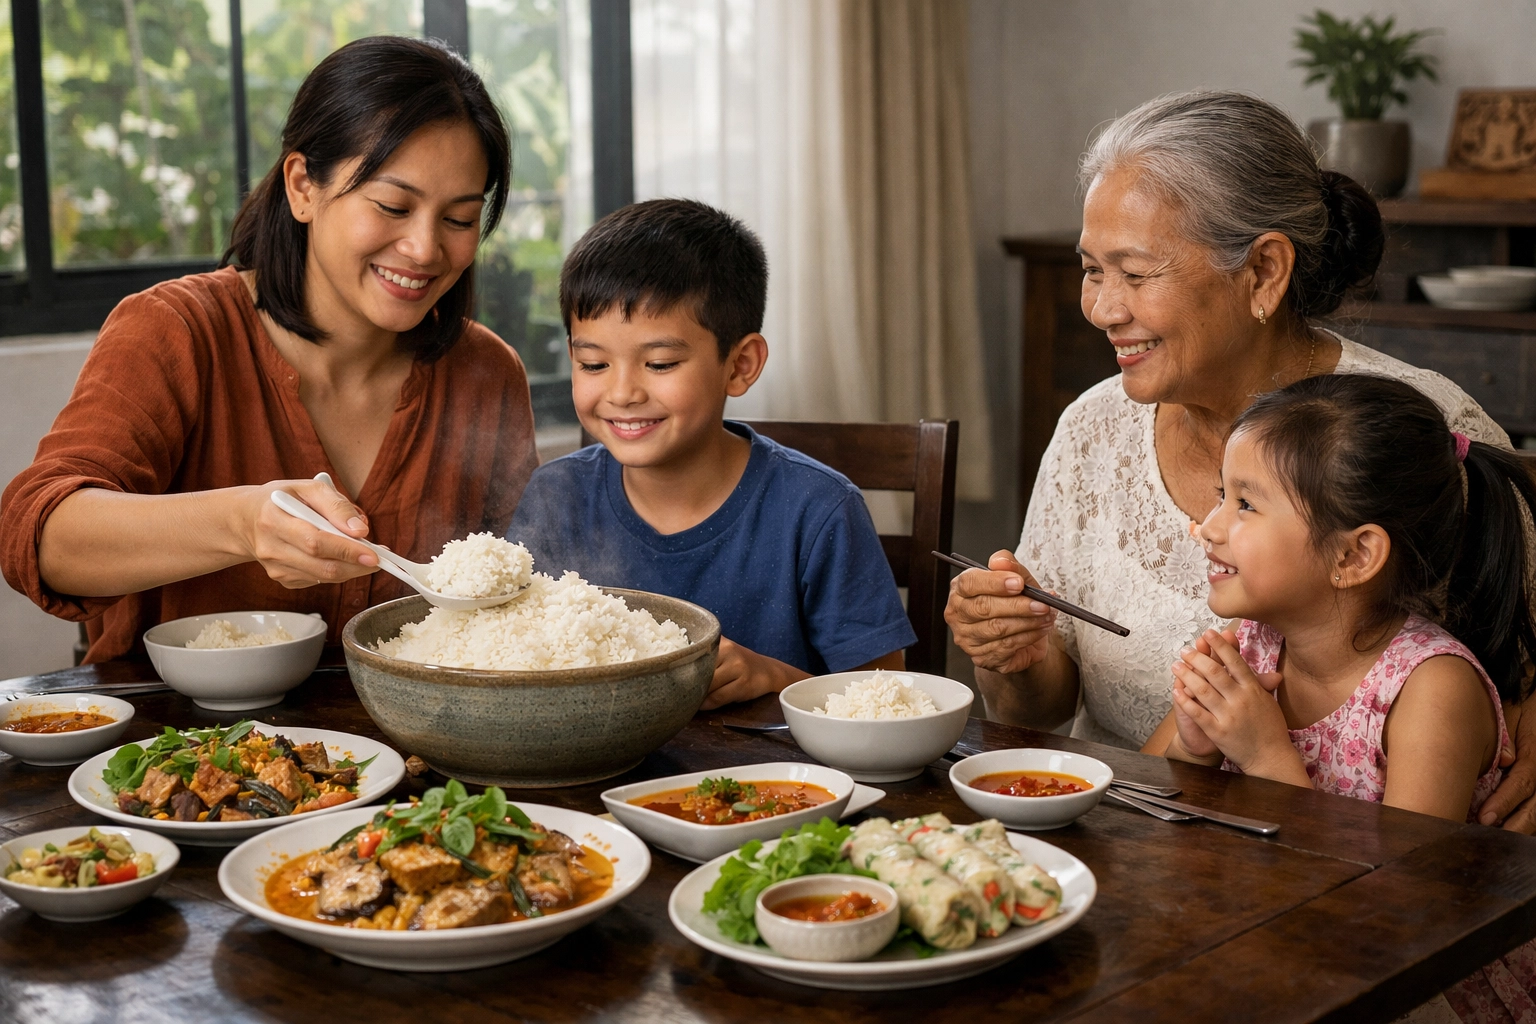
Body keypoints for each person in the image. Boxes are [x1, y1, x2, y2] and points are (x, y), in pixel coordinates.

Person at [942, 88, 1536, 832]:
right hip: (1140, 845)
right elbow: (1046, 716)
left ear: (1262, 272)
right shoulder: (1091, 429)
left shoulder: (1430, 427)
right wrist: (1014, 650)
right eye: (1092, 270)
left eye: (1134, 272)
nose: (1100, 307)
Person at [0, 37, 537, 662]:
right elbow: (38, 538)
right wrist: (241, 524)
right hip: (182, 746)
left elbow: (518, 599)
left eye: (459, 219)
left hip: (420, 748)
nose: (424, 248)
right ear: (303, 184)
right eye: (393, 205)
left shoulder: (484, 373)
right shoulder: (177, 330)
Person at [1146, 373, 1536, 1022]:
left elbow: (1404, 907)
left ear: (1355, 556)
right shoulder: (1252, 643)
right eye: (1221, 494)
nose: (1204, 528)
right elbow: (1145, 798)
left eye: (1245, 504)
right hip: (1281, 942)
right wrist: (1195, 745)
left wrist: (1269, 761)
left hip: (1422, 993)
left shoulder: (1431, 689)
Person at [507, 198, 916, 708]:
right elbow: (509, 659)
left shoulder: (817, 509)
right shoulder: (558, 495)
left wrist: (773, 678)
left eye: (659, 363)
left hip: (770, 779)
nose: (622, 392)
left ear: (740, 365)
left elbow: (890, 700)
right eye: (593, 364)